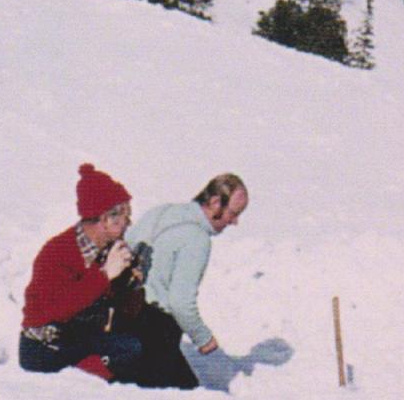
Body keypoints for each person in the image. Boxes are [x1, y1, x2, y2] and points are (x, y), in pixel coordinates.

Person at [18, 163, 194, 388]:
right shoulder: (57, 253)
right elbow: (54, 311)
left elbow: (119, 307)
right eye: (124, 217)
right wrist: (104, 276)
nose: (129, 223)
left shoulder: (108, 248)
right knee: (129, 350)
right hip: (48, 347)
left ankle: (190, 392)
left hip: (82, 334)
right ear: (105, 219)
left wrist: (131, 285)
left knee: (162, 325)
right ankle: (140, 391)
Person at [126, 173, 247, 366]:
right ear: (215, 203)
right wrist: (203, 338)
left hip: (122, 315)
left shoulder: (162, 211)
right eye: (233, 214)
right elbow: (180, 302)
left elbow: (126, 245)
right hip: (154, 327)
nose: (234, 222)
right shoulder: (197, 239)